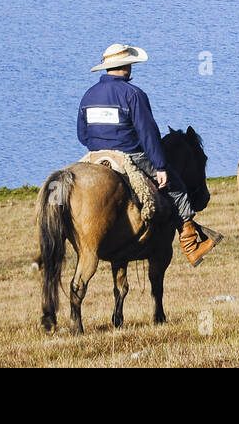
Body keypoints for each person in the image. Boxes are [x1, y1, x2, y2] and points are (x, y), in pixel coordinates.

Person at [78, 43, 217, 265]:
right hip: (129, 155)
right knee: (177, 188)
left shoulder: (89, 95)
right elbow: (148, 135)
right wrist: (161, 167)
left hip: (95, 155)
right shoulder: (133, 94)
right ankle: (192, 245)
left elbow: (82, 134)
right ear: (127, 65)